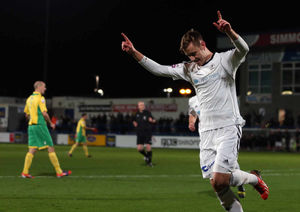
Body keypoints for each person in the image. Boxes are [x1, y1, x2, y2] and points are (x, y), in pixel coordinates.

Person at [122, 11, 269, 212]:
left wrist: (230, 32)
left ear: (203, 44)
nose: (192, 58)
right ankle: (251, 181)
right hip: (206, 132)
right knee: (217, 184)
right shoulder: (189, 69)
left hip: (228, 127)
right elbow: (159, 69)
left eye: (194, 53)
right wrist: (133, 52)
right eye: (188, 56)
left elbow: (243, 49)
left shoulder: (224, 61)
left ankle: (253, 179)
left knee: (220, 179)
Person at [188, 95, 246, 199]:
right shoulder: (193, 100)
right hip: (206, 140)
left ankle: (240, 183)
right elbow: (193, 113)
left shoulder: (217, 93)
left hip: (223, 134)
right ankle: (223, 192)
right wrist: (192, 122)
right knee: (210, 169)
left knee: (229, 164)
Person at [22, 81, 71, 178]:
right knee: (50, 147)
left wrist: (33, 117)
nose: (45, 89)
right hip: (40, 125)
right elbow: (44, 114)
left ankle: (25, 172)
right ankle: (59, 172)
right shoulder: (40, 98)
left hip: (31, 126)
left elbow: (26, 115)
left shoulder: (29, 99)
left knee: (32, 149)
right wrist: (51, 123)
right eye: (44, 87)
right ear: (39, 87)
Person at [133, 101, 156, 167]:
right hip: (139, 133)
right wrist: (134, 123)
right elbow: (133, 120)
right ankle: (146, 157)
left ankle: (149, 163)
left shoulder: (147, 113)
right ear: (138, 106)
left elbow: (154, 120)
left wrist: (152, 120)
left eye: (143, 105)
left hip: (147, 133)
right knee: (139, 149)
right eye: (140, 105)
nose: (142, 106)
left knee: (148, 147)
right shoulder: (136, 114)